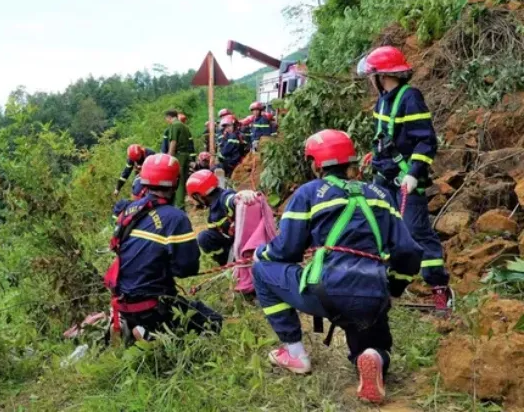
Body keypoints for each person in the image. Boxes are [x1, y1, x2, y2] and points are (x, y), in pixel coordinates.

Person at [251, 129, 423, 404]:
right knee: (374, 346)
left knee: (260, 271)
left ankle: (295, 353)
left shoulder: (309, 193)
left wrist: (262, 253)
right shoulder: (380, 194)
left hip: (327, 293)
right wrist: (394, 289)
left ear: (316, 163)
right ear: (351, 162)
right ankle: (373, 357)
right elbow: (409, 251)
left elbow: (287, 250)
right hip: (373, 295)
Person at [359, 45, 453, 311]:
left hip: (405, 182)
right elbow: (387, 136)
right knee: (381, 231)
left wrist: (413, 174)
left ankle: (439, 289)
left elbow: (425, 141)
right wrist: (374, 156)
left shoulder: (410, 98)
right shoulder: (383, 100)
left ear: (382, 75)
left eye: (372, 76)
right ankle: (387, 287)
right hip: (383, 180)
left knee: (416, 233)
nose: (370, 81)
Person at [104, 153, 223, 342]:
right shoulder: (175, 218)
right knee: (213, 322)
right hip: (152, 304)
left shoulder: (130, 210)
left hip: (122, 299)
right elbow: (187, 268)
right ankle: (152, 336)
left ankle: (130, 324)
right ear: (176, 183)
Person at [187, 169, 258, 266]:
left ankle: (230, 260)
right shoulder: (214, 205)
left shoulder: (223, 197)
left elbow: (230, 199)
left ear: (199, 196)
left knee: (203, 238)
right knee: (205, 237)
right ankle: (227, 261)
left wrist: (239, 197)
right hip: (232, 240)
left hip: (243, 241)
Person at [165, 109, 193, 210]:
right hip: (186, 155)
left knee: (178, 180)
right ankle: (181, 203)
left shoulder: (174, 125)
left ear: (169, 117)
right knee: (184, 179)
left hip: (179, 155)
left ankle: (179, 205)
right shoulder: (184, 126)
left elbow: (173, 142)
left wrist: (169, 157)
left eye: (166, 119)